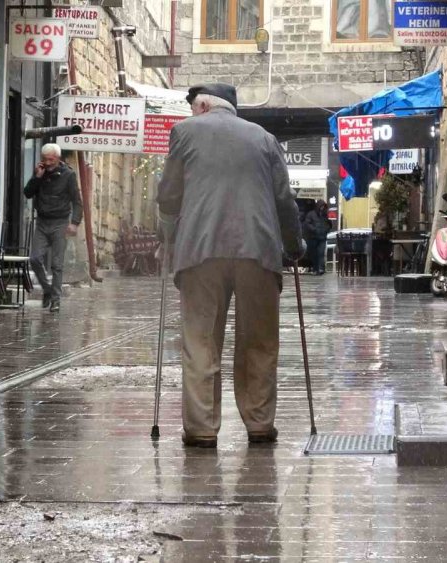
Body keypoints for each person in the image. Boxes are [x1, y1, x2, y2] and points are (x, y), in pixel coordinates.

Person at [157, 83, 304, 448]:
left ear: (204, 105)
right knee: (259, 340)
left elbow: (169, 196)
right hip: (258, 248)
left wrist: (170, 235)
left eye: (193, 107)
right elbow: (284, 200)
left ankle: (202, 428)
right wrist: (294, 246)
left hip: (200, 250)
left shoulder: (185, 132)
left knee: (200, 339)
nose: (192, 113)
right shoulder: (265, 139)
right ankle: (259, 422)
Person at [24, 144, 82, 313]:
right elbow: (27, 193)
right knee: (34, 259)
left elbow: (77, 202)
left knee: (57, 264)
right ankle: (47, 289)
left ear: (58, 158)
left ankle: (55, 299)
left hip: (60, 222)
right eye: (45, 159)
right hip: (42, 222)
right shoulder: (40, 172)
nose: (48, 163)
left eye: (51, 159)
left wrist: (74, 223)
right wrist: (37, 177)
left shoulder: (69, 175)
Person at [302, 199, 332, 275]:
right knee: (314, 254)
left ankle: (321, 269)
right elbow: (307, 223)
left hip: (322, 237)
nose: (322, 208)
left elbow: (329, 224)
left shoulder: (324, 214)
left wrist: (326, 230)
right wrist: (314, 229)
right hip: (313, 237)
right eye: (321, 206)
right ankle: (316, 269)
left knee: (321, 253)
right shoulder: (311, 214)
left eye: (323, 206)